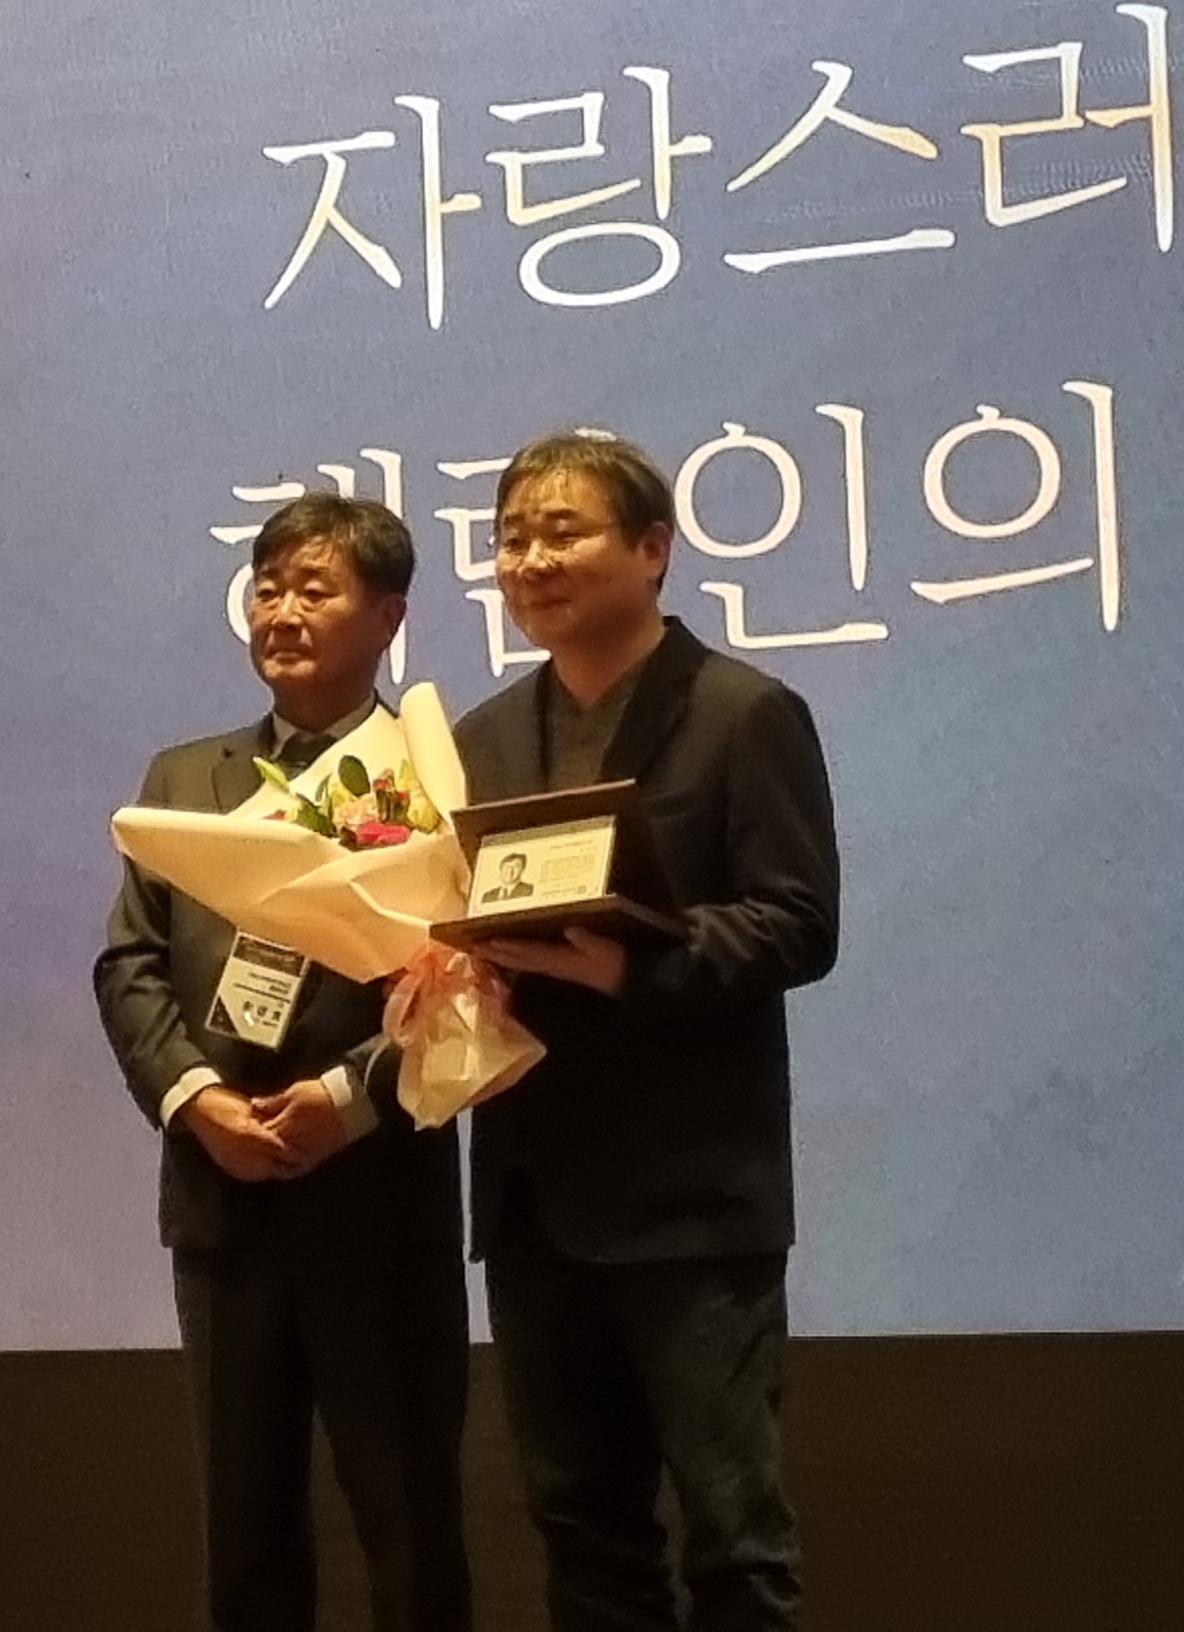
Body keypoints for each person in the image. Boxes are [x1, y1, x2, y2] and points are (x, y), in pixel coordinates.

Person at [454, 430, 840, 1632]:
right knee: (583, 1529)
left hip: (690, 1198)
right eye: (512, 537)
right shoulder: (478, 739)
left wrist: (636, 964)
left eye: (562, 532)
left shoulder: (741, 712)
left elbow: (798, 923)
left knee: (734, 1539)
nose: (530, 560)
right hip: (534, 1194)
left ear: (654, 548)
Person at [93, 493, 472, 1632]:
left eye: (316, 590)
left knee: (408, 1525)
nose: (282, 613)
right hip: (224, 1201)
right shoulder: (184, 777)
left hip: (377, 1196)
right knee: (246, 1532)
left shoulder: (431, 774)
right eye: (268, 588)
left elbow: (467, 981)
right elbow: (130, 966)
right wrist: (197, 1098)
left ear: (388, 617)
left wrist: (348, 1100)